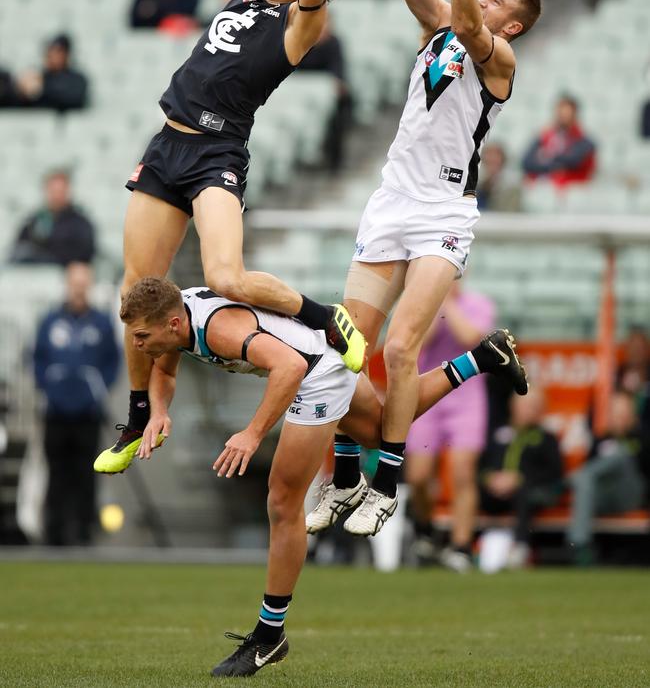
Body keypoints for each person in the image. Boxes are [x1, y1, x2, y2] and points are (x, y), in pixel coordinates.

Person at [93, 0, 438, 475]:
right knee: (134, 290)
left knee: (226, 276)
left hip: (215, 154)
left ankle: (326, 318)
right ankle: (141, 411)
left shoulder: (299, 24)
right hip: (166, 145)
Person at [117, 277, 527, 676]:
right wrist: (159, 411)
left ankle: (270, 633)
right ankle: (483, 358)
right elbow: (165, 373)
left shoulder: (217, 329)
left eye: (139, 336)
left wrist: (252, 434)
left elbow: (289, 367)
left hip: (313, 372)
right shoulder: (176, 317)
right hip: (326, 350)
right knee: (386, 427)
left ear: (172, 324)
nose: (136, 346)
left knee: (282, 502)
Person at [314, 0, 541, 537]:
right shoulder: (443, 19)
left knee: (405, 348)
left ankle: (385, 483)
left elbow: (471, 26)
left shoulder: (500, 56)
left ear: (515, 23)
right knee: (346, 350)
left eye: (501, 0)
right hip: (391, 200)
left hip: (444, 211)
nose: (487, 1)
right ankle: (349, 474)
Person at [405, 281, 495, 573]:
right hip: (427, 392)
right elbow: (420, 341)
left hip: (467, 397)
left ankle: (461, 546)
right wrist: (435, 304)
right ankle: (425, 528)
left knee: (462, 472)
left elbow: (471, 338)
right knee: (418, 476)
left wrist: (448, 303)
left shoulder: (479, 304)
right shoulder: (420, 302)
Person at [34, 263, 120, 545]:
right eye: (74, 283)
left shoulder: (101, 323)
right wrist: (48, 385)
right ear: (67, 285)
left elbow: (113, 361)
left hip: (88, 412)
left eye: (84, 284)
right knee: (56, 473)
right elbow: (37, 358)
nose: (79, 289)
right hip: (56, 412)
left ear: (90, 285)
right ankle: (54, 534)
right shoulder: (50, 321)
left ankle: (83, 534)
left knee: (87, 474)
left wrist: (97, 389)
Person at [479, 387, 563, 569]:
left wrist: (519, 479)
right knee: (469, 489)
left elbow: (554, 473)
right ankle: (465, 548)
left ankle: (520, 548)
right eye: (525, 405)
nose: (529, 410)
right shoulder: (497, 434)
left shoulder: (546, 439)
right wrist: (490, 479)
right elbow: (481, 466)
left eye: (534, 406)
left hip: (530, 495)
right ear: (513, 407)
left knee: (523, 493)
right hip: (494, 493)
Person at [566, 391, 649, 566]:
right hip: (603, 497)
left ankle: (567, 481)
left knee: (620, 454)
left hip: (631, 496)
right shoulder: (600, 439)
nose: (619, 418)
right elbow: (591, 473)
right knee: (586, 479)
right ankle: (580, 545)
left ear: (632, 415)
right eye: (616, 413)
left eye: (623, 413)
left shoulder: (642, 438)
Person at [297, 11, 353, 172]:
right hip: (300, 90)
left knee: (338, 112)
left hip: (325, 91)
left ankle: (334, 160)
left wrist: (337, 84)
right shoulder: (299, 42)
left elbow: (338, 70)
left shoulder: (334, 43)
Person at [10, 169, 96, 265]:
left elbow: (84, 254)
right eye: (53, 191)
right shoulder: (34, 221)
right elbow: (20, 248)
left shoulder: (80, 224)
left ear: (68, 191)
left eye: (60, 191)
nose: (57, 196)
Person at [522, 95, 596, 187]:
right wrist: (555, 166)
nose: (562, 117)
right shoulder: (545, 136)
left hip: (571, 191)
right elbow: (526, 162)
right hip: (545, 187)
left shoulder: (583, 142)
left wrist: (545, 158)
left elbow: (573, 161)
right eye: (560, 113)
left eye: (567, 113)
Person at [15, 34, 89, 113]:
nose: (50, 55)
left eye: (57, 51)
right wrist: (23, 93)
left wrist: (40, 90)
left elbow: (73, 98)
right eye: (49, 51)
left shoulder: (77, 79)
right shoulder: (41, 77)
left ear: (66, 54)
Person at [475, 141, 522, 211]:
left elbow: (510, 213)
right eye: (488, 155)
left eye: (496, 155)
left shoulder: (512, 187)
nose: (492, 158)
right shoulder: (476, 183)